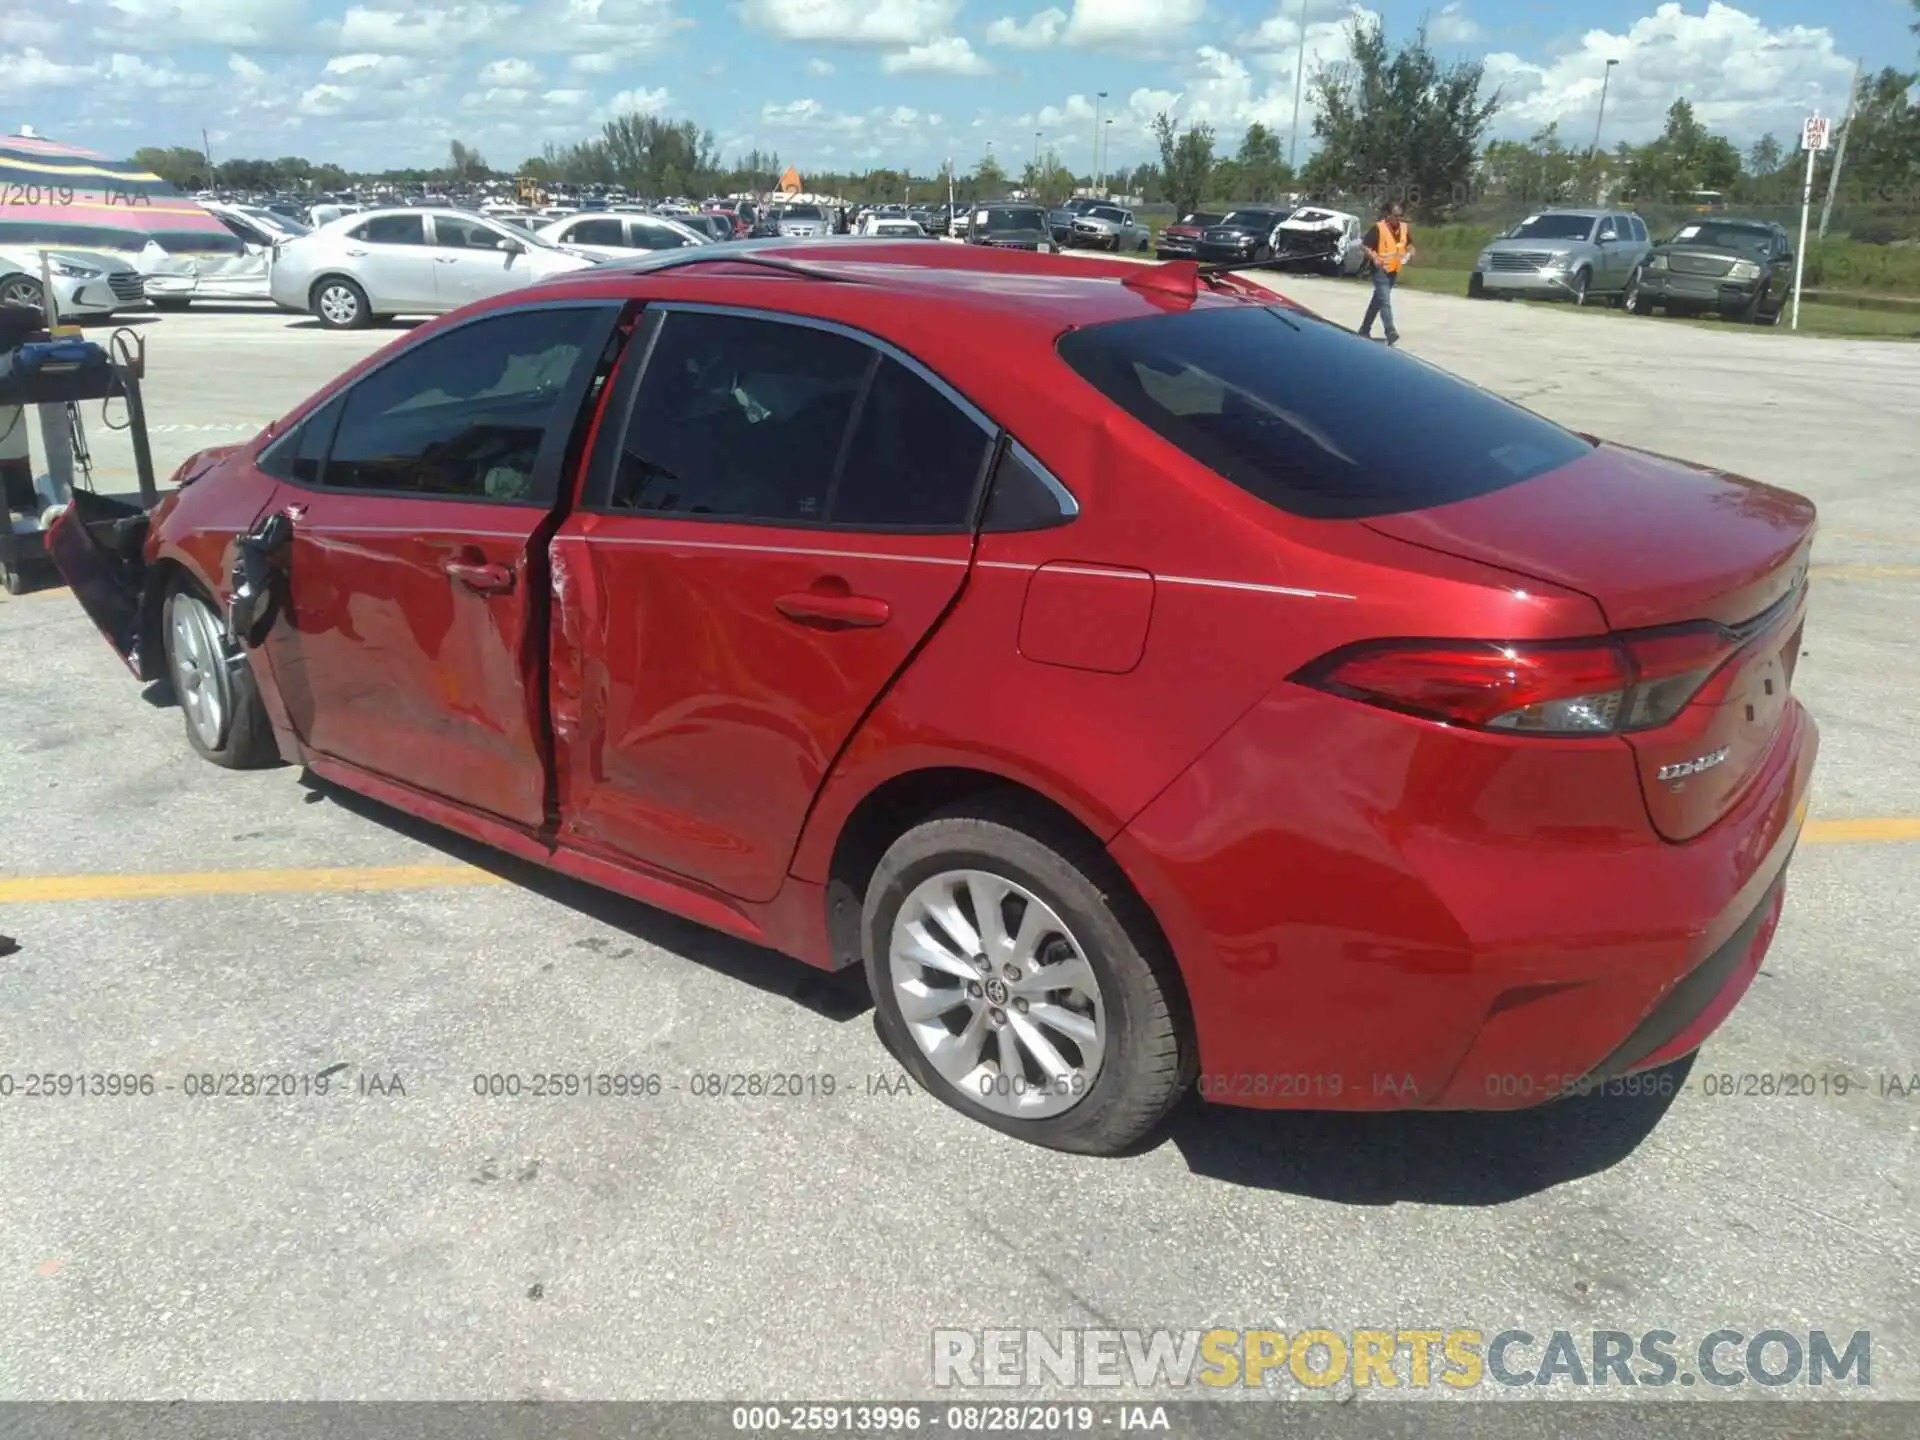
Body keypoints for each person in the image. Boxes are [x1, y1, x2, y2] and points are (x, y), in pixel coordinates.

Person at [1358, 200, 1414, 346]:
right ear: (1388, 215)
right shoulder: (1379, 228)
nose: (1398, 218)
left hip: (1393, 270)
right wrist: (1374, 257)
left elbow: (1410, 245)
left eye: (1400, 216)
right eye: (1396, 215)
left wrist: (1408, 254)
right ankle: (1390, 331)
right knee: (1385, 302)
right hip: (1380, 270)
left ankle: (1364, 329)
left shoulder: (1404, 228)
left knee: (1378, 301)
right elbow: (1364, 246)